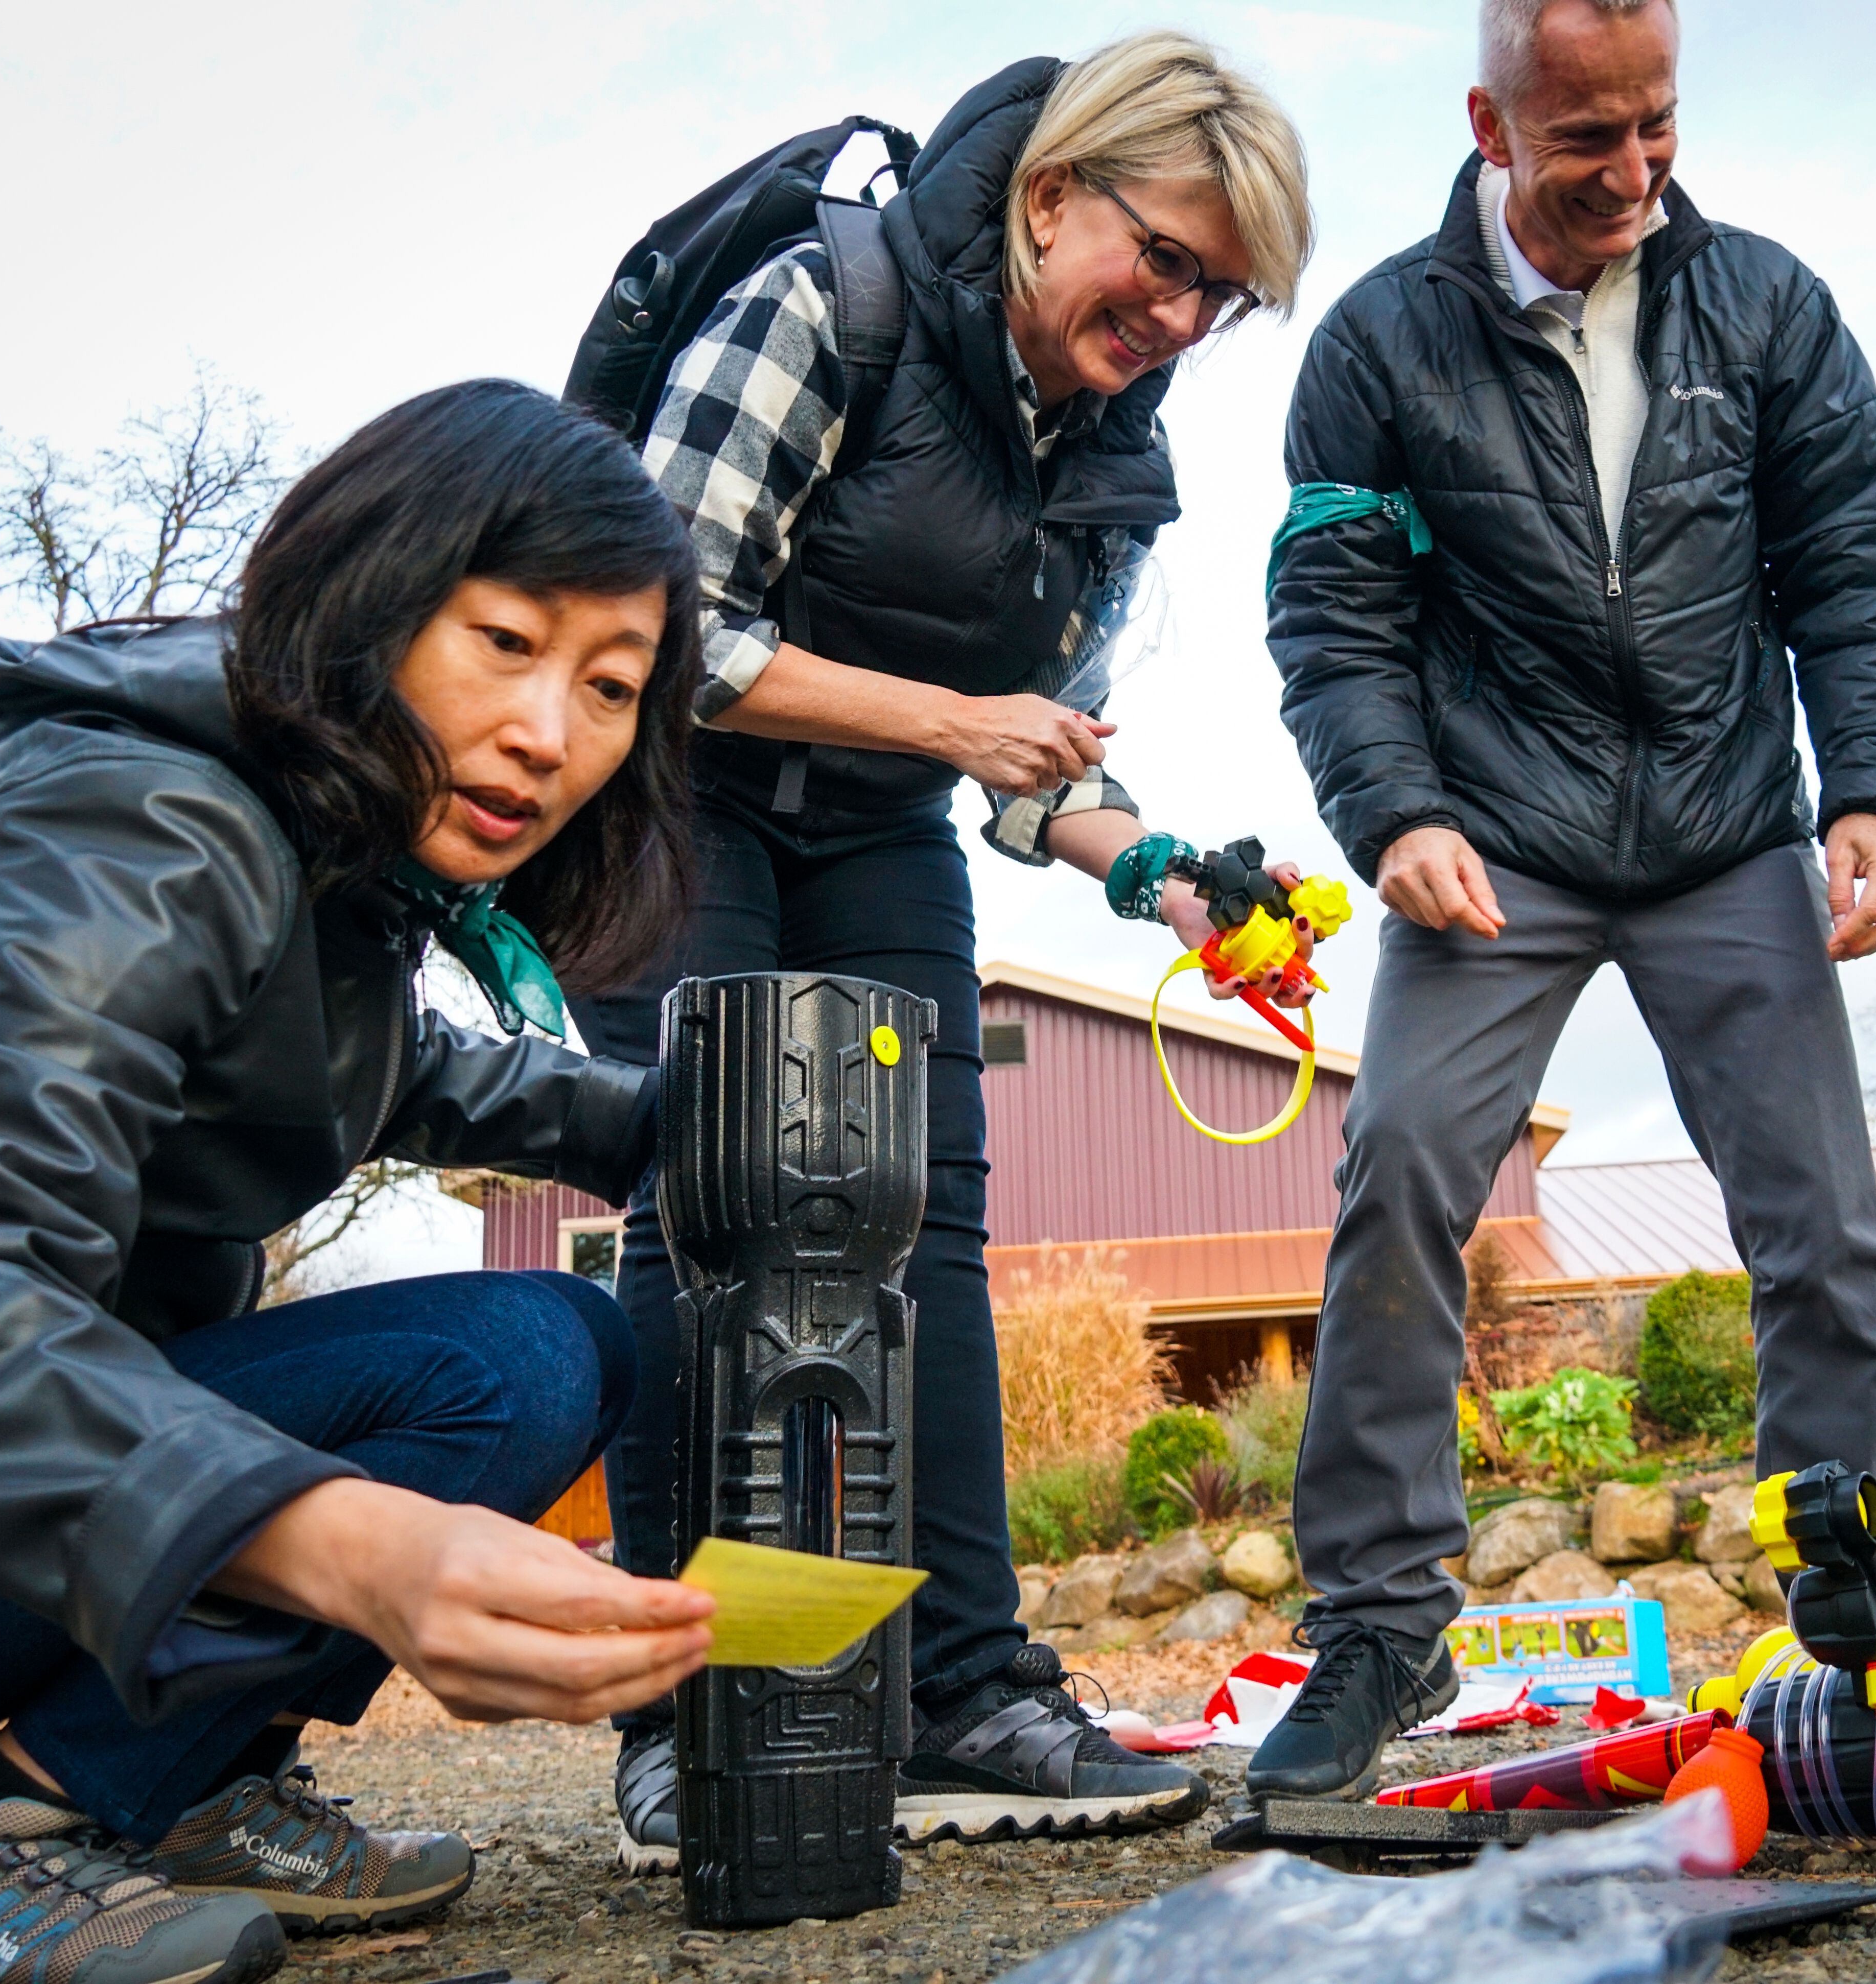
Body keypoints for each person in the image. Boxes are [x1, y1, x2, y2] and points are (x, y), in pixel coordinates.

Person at [0, 380, 719, 1984]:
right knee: (509, 1361)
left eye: (611, 684)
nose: (550, 733)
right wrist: (349, 1540)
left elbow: (396, 1079)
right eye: (504, 640)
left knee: (568, 1336)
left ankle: (190, 1788)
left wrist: (683, 1116)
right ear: (367, 600)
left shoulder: (320, 868)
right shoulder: (127, 821)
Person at [574, 32, 1316, 1861]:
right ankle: (692, 1712)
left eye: (1218, 294)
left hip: (881, 810)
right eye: (1163, 257)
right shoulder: (830, 303)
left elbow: (1037, 751)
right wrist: (949, 723)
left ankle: (960, 1687)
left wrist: (1170, 880)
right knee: (708, 1217)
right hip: (672, 791)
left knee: (931, 1232)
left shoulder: (1109, 461)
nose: (1177, 313)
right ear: (1055, 194)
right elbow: (660, 626)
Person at [1255, 0, 1876, 1800]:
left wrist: (1875, 788)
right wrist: (1391, 810)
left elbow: (1855, 554)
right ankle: (1380, 1633)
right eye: (1588, 140)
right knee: (1400, 1166)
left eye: (1659, 128)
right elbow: (1335, 623)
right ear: (1491, 122)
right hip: (1496, 845)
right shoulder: (1377, 346)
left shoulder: (1768, 306)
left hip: (1728, 829)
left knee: (1821, 1225)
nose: (1636, 174)